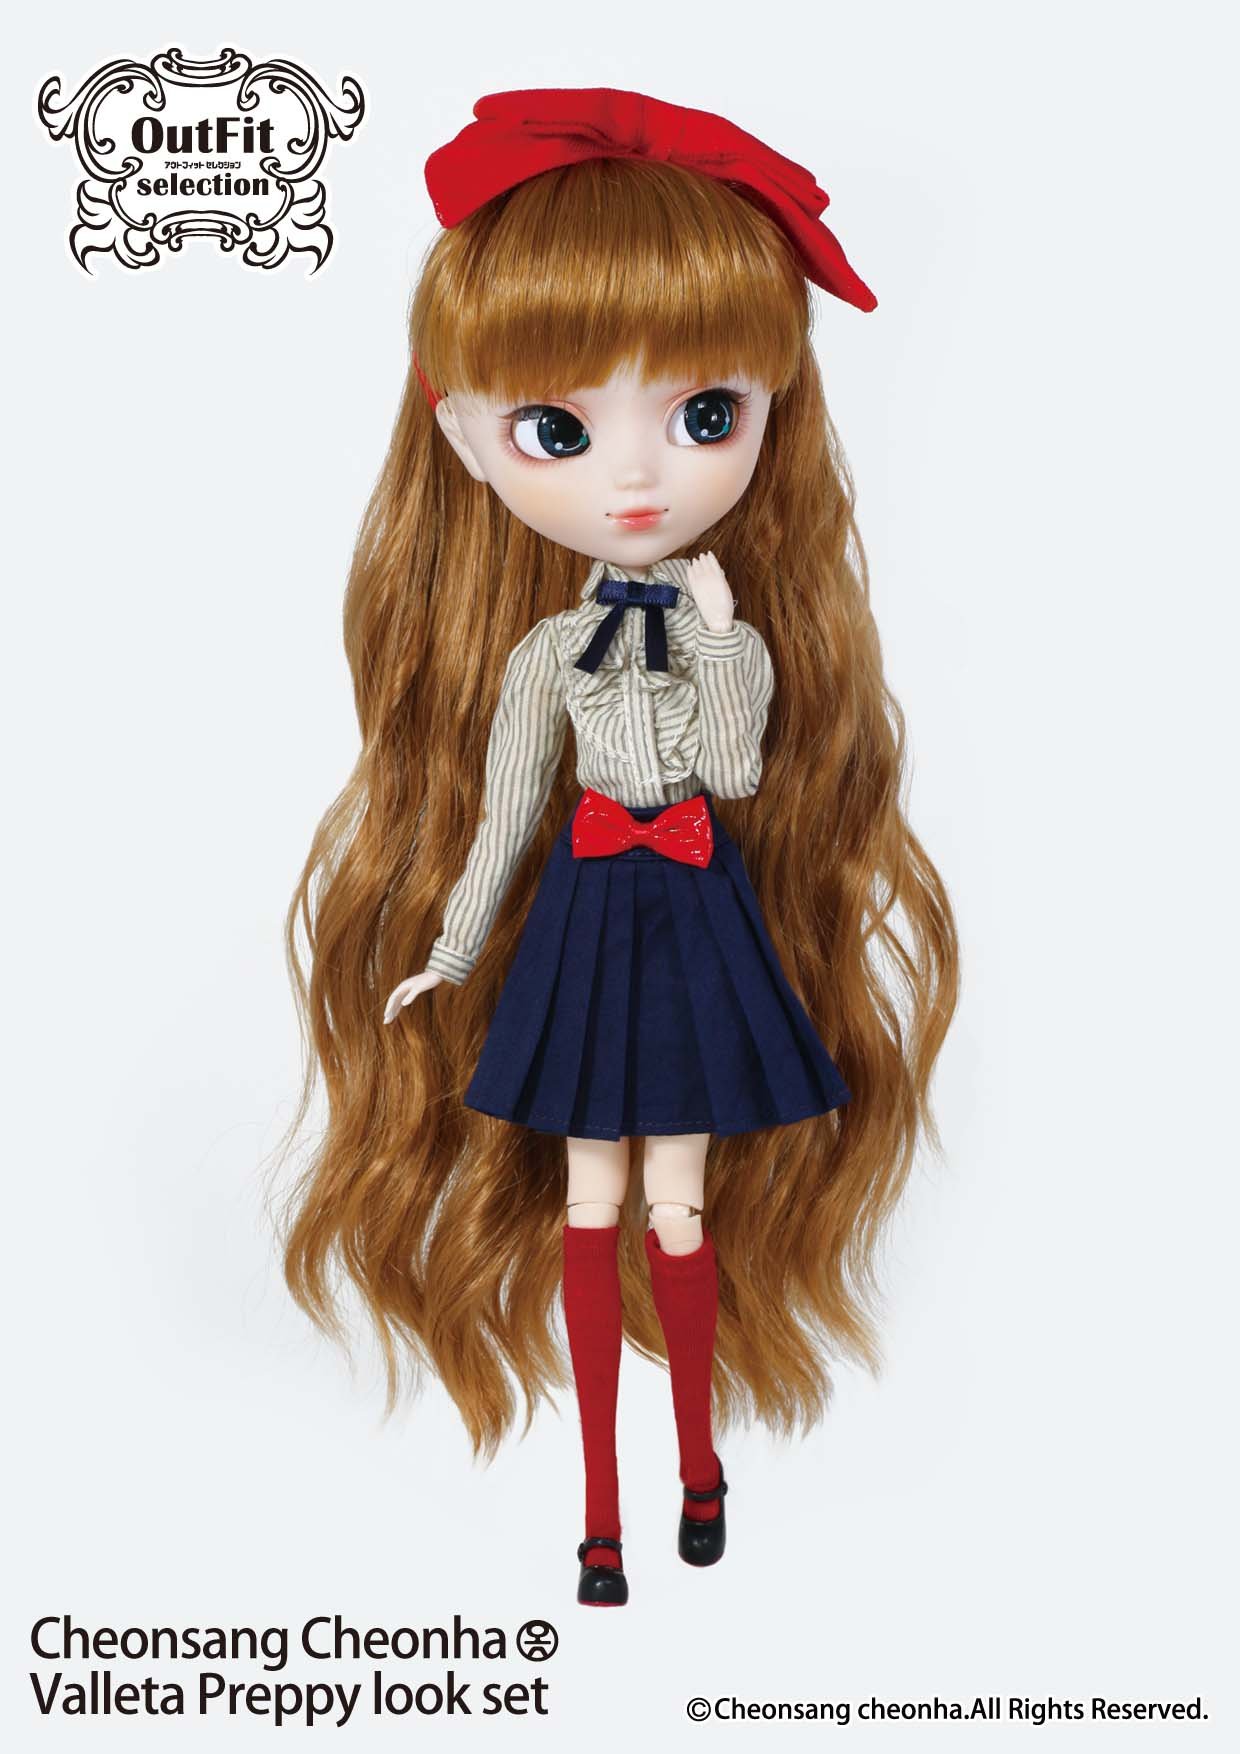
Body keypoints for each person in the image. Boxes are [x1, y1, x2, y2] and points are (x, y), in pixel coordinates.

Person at [282, 88, 958, 1608]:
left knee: (678, 1206)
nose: (637, 480)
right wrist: (454, 947)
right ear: (467, 441)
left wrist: (721, 642)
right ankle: (600, 1510)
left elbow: (737, 769)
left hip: (699, 913)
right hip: (588, 920)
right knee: (591, 1209)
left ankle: (698, 1466)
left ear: (775, 409)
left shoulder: (731, 637)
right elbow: (505, 809)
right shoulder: (545, 659)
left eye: (706, 415)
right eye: (560, 430)